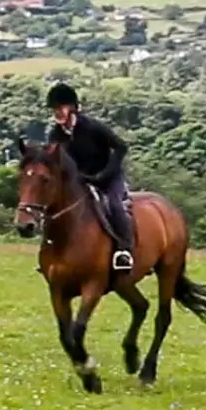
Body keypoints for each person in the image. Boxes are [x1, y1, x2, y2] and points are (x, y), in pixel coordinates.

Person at [46, 83, 134, 271]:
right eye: (54, 109)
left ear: (72, 108)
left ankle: (124, 251)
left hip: (108, 177)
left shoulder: (92, 127)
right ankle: (53, 252)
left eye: (60, 108)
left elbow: (121, 147)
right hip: (79, 181)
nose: (57, 112)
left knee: (113, 205)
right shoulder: (55, 135)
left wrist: (104, 175)